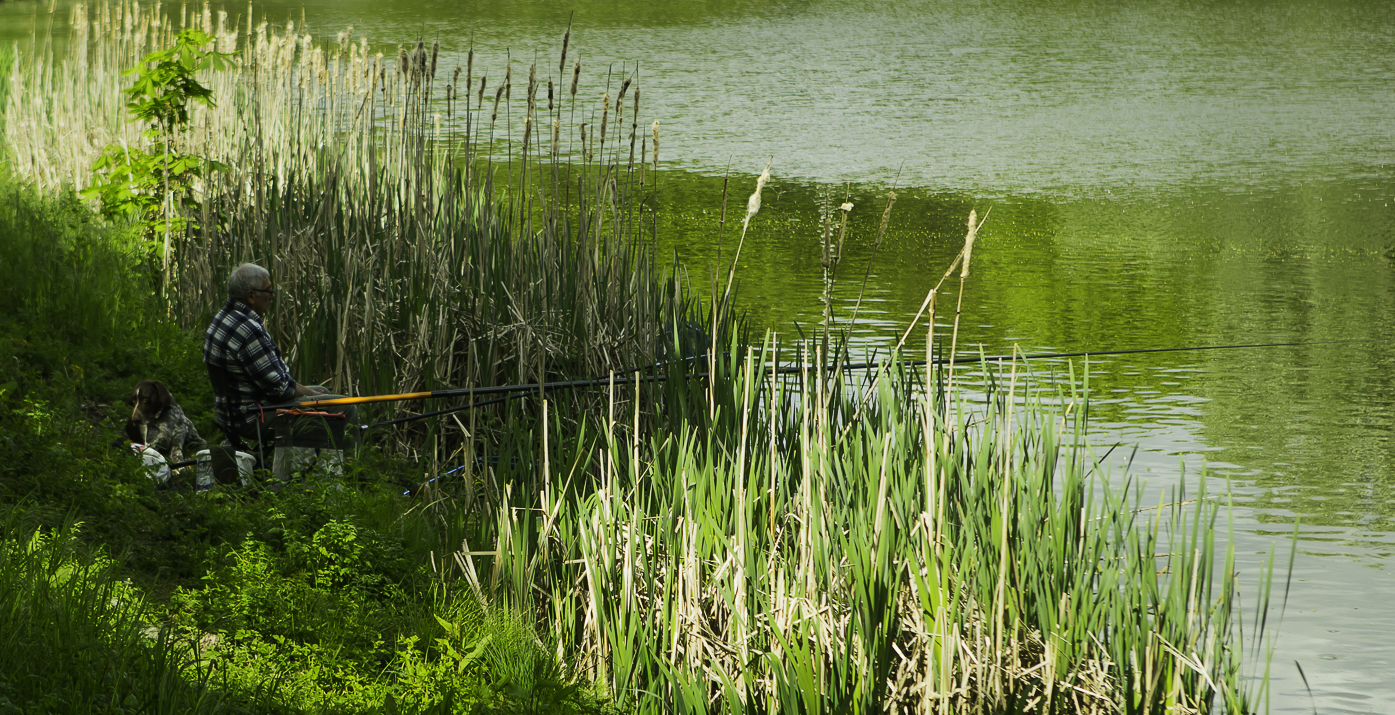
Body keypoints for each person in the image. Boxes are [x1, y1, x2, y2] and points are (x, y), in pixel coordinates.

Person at [203, 263, 356, 458]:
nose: (273, 296)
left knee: (324, 393)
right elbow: (279, 389)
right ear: (251, 296)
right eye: (268, 291)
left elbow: (273, 380)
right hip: (254, 417)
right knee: (346, 407)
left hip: (233, 414)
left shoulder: (223, 318)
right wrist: (311, 394)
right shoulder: (248, 331)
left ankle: (314, 466)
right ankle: (353, 474)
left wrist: (314, 394)